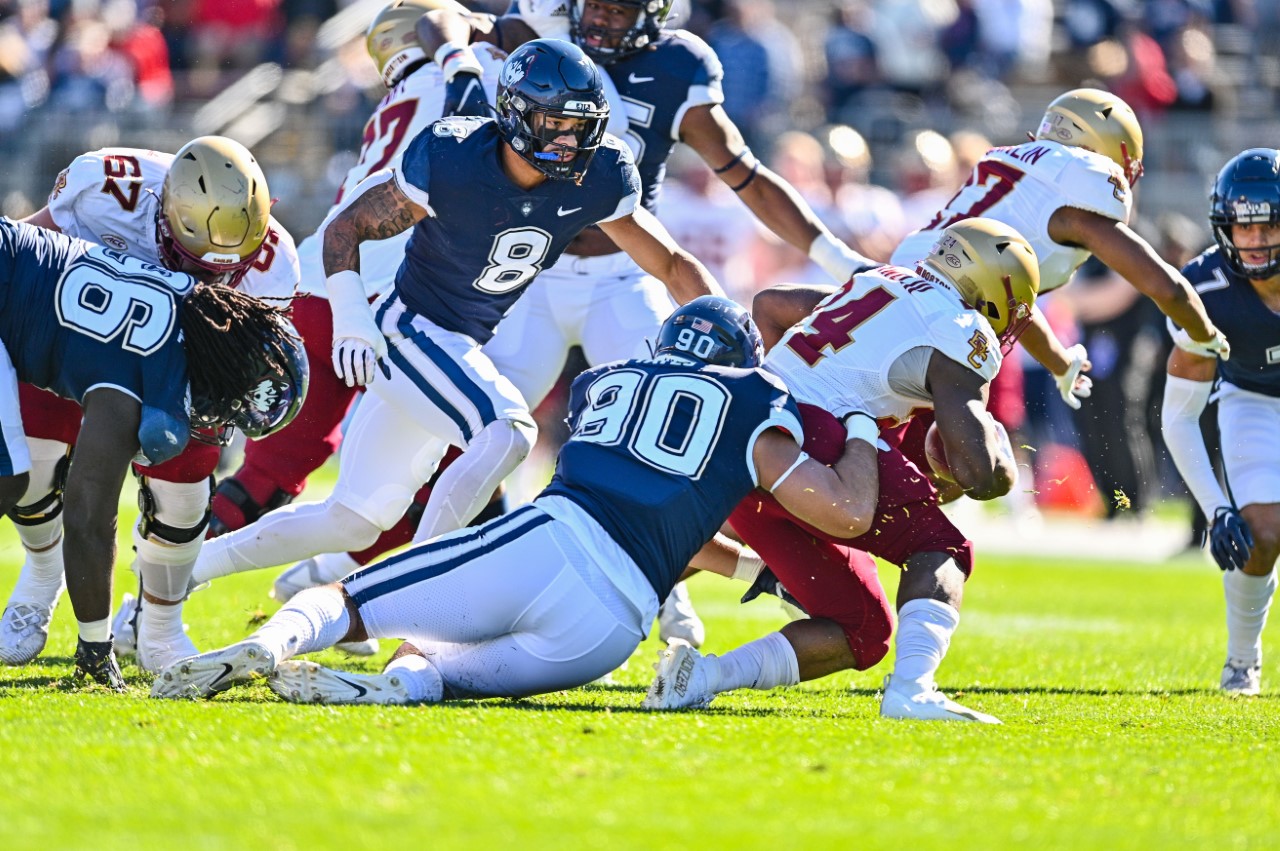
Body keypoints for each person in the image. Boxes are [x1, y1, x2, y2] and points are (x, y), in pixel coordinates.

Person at [265, 0, 878, 647]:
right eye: (596, 6)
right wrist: (455, 55)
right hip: (530, 273)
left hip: (623, 275)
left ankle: (670, 594)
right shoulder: (542, 36)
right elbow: (437, 17)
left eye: (619, 9)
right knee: (460, 432)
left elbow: (744, 176)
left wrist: (839, 258)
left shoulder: (681, 65)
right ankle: (352, 567)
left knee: (683, 427)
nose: (603, 20)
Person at [187, 39, 722, 601]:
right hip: (405, 329)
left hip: (456, 342)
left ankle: (182, 571)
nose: (569, 141)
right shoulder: (455, 155)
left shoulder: (603, 170)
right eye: (555, 123)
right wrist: (352, 320)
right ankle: (414, 597)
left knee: (350, 520)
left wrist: (724, 328)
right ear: (516, 114)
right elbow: (347, 228)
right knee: (509, 432)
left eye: (580, 126)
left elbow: (669, 262)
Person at [151, 296, 879, 703]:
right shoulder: (756, 397)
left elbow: (628, 489)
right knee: (440, 669)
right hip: (612, 627)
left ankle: (268, 643)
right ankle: (396, 690)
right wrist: (858, 430)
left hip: (550, 541)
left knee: (352, 598)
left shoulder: (607, 381)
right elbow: (822, 510)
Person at [649, 218, 1038, 723]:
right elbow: (981, 478)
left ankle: (699, 678)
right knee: (938, 549)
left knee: (862, 630)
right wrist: (1000, 458)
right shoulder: (962, 329)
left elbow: (769, 304)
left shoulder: (881, 279)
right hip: (816, 439)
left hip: (745, 439)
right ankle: (914, 690)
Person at [0, 135, 300, 673]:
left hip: (181, 367)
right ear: (162, 214)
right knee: (34, 460)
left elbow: (250, 366)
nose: (209, 280)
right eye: (195, 263)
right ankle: (41, 575)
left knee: (184, 497)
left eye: (225, 271)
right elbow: (33, 253)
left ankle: (158, 627)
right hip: (78, 338)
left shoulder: (275, 263)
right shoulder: (105, 189)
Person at [891, 88, 1229, 415]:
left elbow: (1009, 294)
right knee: (979, 460)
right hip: (942, 322)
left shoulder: (1019, 176)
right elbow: (1163, 286)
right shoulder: (1073, 198)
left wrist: (1060, 364)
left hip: (901, 288)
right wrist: (1206, 336)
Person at [1161, 148, 1280, 697]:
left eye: (1270, 224)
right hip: (1253, 399)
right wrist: (1216, 509)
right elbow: (1179, 416)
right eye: (1242, 226)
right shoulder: (1205, 292)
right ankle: (1241, 662)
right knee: (1261, 535)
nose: (1255, 241)